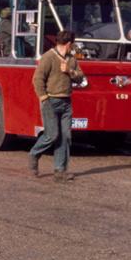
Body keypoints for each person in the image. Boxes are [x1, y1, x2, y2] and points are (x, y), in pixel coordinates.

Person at [29, 30, 85, 182]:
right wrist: (43, 97)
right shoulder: (48, 57)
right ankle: (34, 154)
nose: (72, 46)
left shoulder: (71, 60)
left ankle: (60, 171)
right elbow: (37, 79)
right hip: (50, 101)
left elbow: (81, 78)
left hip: (66, 102)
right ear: (69, 44)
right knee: (52, 135)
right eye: (72, 44)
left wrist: (70, 71)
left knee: (65, 137)